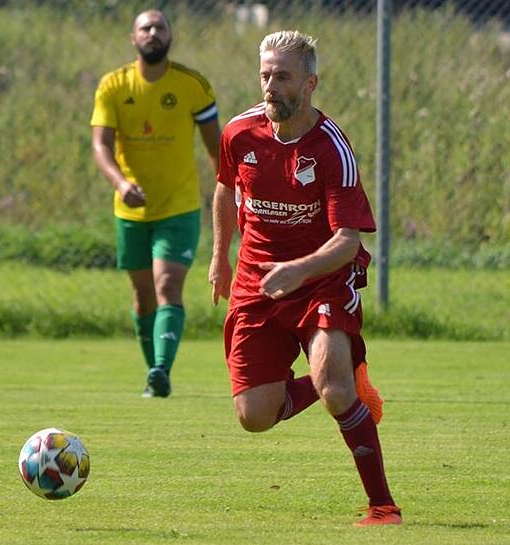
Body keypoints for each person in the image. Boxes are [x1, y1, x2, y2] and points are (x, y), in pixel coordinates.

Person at [208, 30, 402, 526]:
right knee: (254, 416)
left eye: (283, 76)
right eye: (265, 74)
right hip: (257, 279)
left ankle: (384, 507)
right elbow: (224, 188)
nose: (270, 86)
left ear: (310, 82)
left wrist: (298, 270)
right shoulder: (239, 133)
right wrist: (220, 259)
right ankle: (332, 378)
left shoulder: (332, 148)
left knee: (337, 391)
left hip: (321, 277)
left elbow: (349, 241)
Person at [91, 10, 220, 398]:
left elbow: (218, 149)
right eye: (145, 28)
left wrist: (231, 192)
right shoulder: (114, 85)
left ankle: (162, 368)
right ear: (133, 38)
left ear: (170, 37)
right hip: (130, 210)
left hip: (179, 207)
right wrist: (120, 183)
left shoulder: (192, 86)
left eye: (160, 27)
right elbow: (100, 145)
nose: (153, 33)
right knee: (143, 295)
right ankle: (154, 373)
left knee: (168, 284)